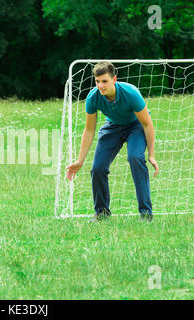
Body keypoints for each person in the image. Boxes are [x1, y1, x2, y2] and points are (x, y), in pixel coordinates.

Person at [66, 61, 159, 222]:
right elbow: (89, 130)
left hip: (135, 125)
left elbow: (147, 123)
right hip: (113, 126)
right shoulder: (93, 98)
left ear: (114, 79)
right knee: (98, 168)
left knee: (135, 158)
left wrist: (151, 155)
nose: (100, 86)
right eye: (97, 81)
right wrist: (80, 161)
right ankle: (101, 213)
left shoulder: (130, 93)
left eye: (104, 81)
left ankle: (146, 214)